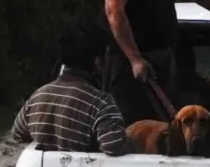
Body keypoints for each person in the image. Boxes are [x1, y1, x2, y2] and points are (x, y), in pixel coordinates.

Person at [12, 23, 134, 156]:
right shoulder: (101, 103)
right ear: (98, 61)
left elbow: (17, 133)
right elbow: (114, 146)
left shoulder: (38, 96)